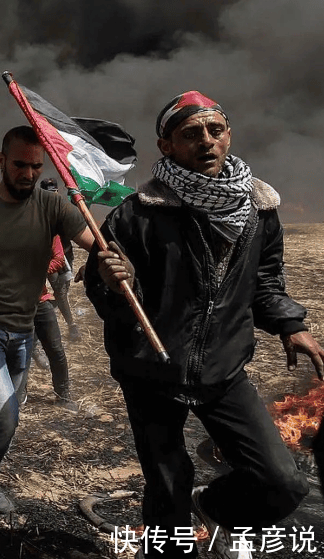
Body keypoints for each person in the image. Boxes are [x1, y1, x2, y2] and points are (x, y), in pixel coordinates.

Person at [86, 91, 324, 559]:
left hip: (224, 368)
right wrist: (113, 283)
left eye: (215, 130)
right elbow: (107, 295)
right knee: (167, 485)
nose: (207, 141)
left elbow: (265, 281)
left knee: (282, 481)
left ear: (229, 134)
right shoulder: (137, 214)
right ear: (167, 146)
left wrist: (288, 323)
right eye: (191, 133)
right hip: (151, 371)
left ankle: (213, 507)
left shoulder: (259, 208)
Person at [0, 126, 94, 528]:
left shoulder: (52, 206)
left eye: (36, 167)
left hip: (23, 331)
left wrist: (115, 259)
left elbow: (96, 242)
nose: (28, 174)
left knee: (8, 416)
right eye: (20, 165)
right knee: (4, 412)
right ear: (1, 160)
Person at [30, 235, 78, 411]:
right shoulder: (7, 229)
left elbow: (59, 258)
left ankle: (63, 395)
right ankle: (17, 397)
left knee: (56, 350)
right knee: (17, 352)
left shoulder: (48, 230)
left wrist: (39, 270)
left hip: (40, 300)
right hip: (13, 303)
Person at [39, 178, 79, 340]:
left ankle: (71, 325)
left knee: (61, 292)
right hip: (42, 256)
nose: (52, 196)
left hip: (62, 255)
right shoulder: (36, 210)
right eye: (48, 194)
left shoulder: (65, 209)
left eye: (53, 193)